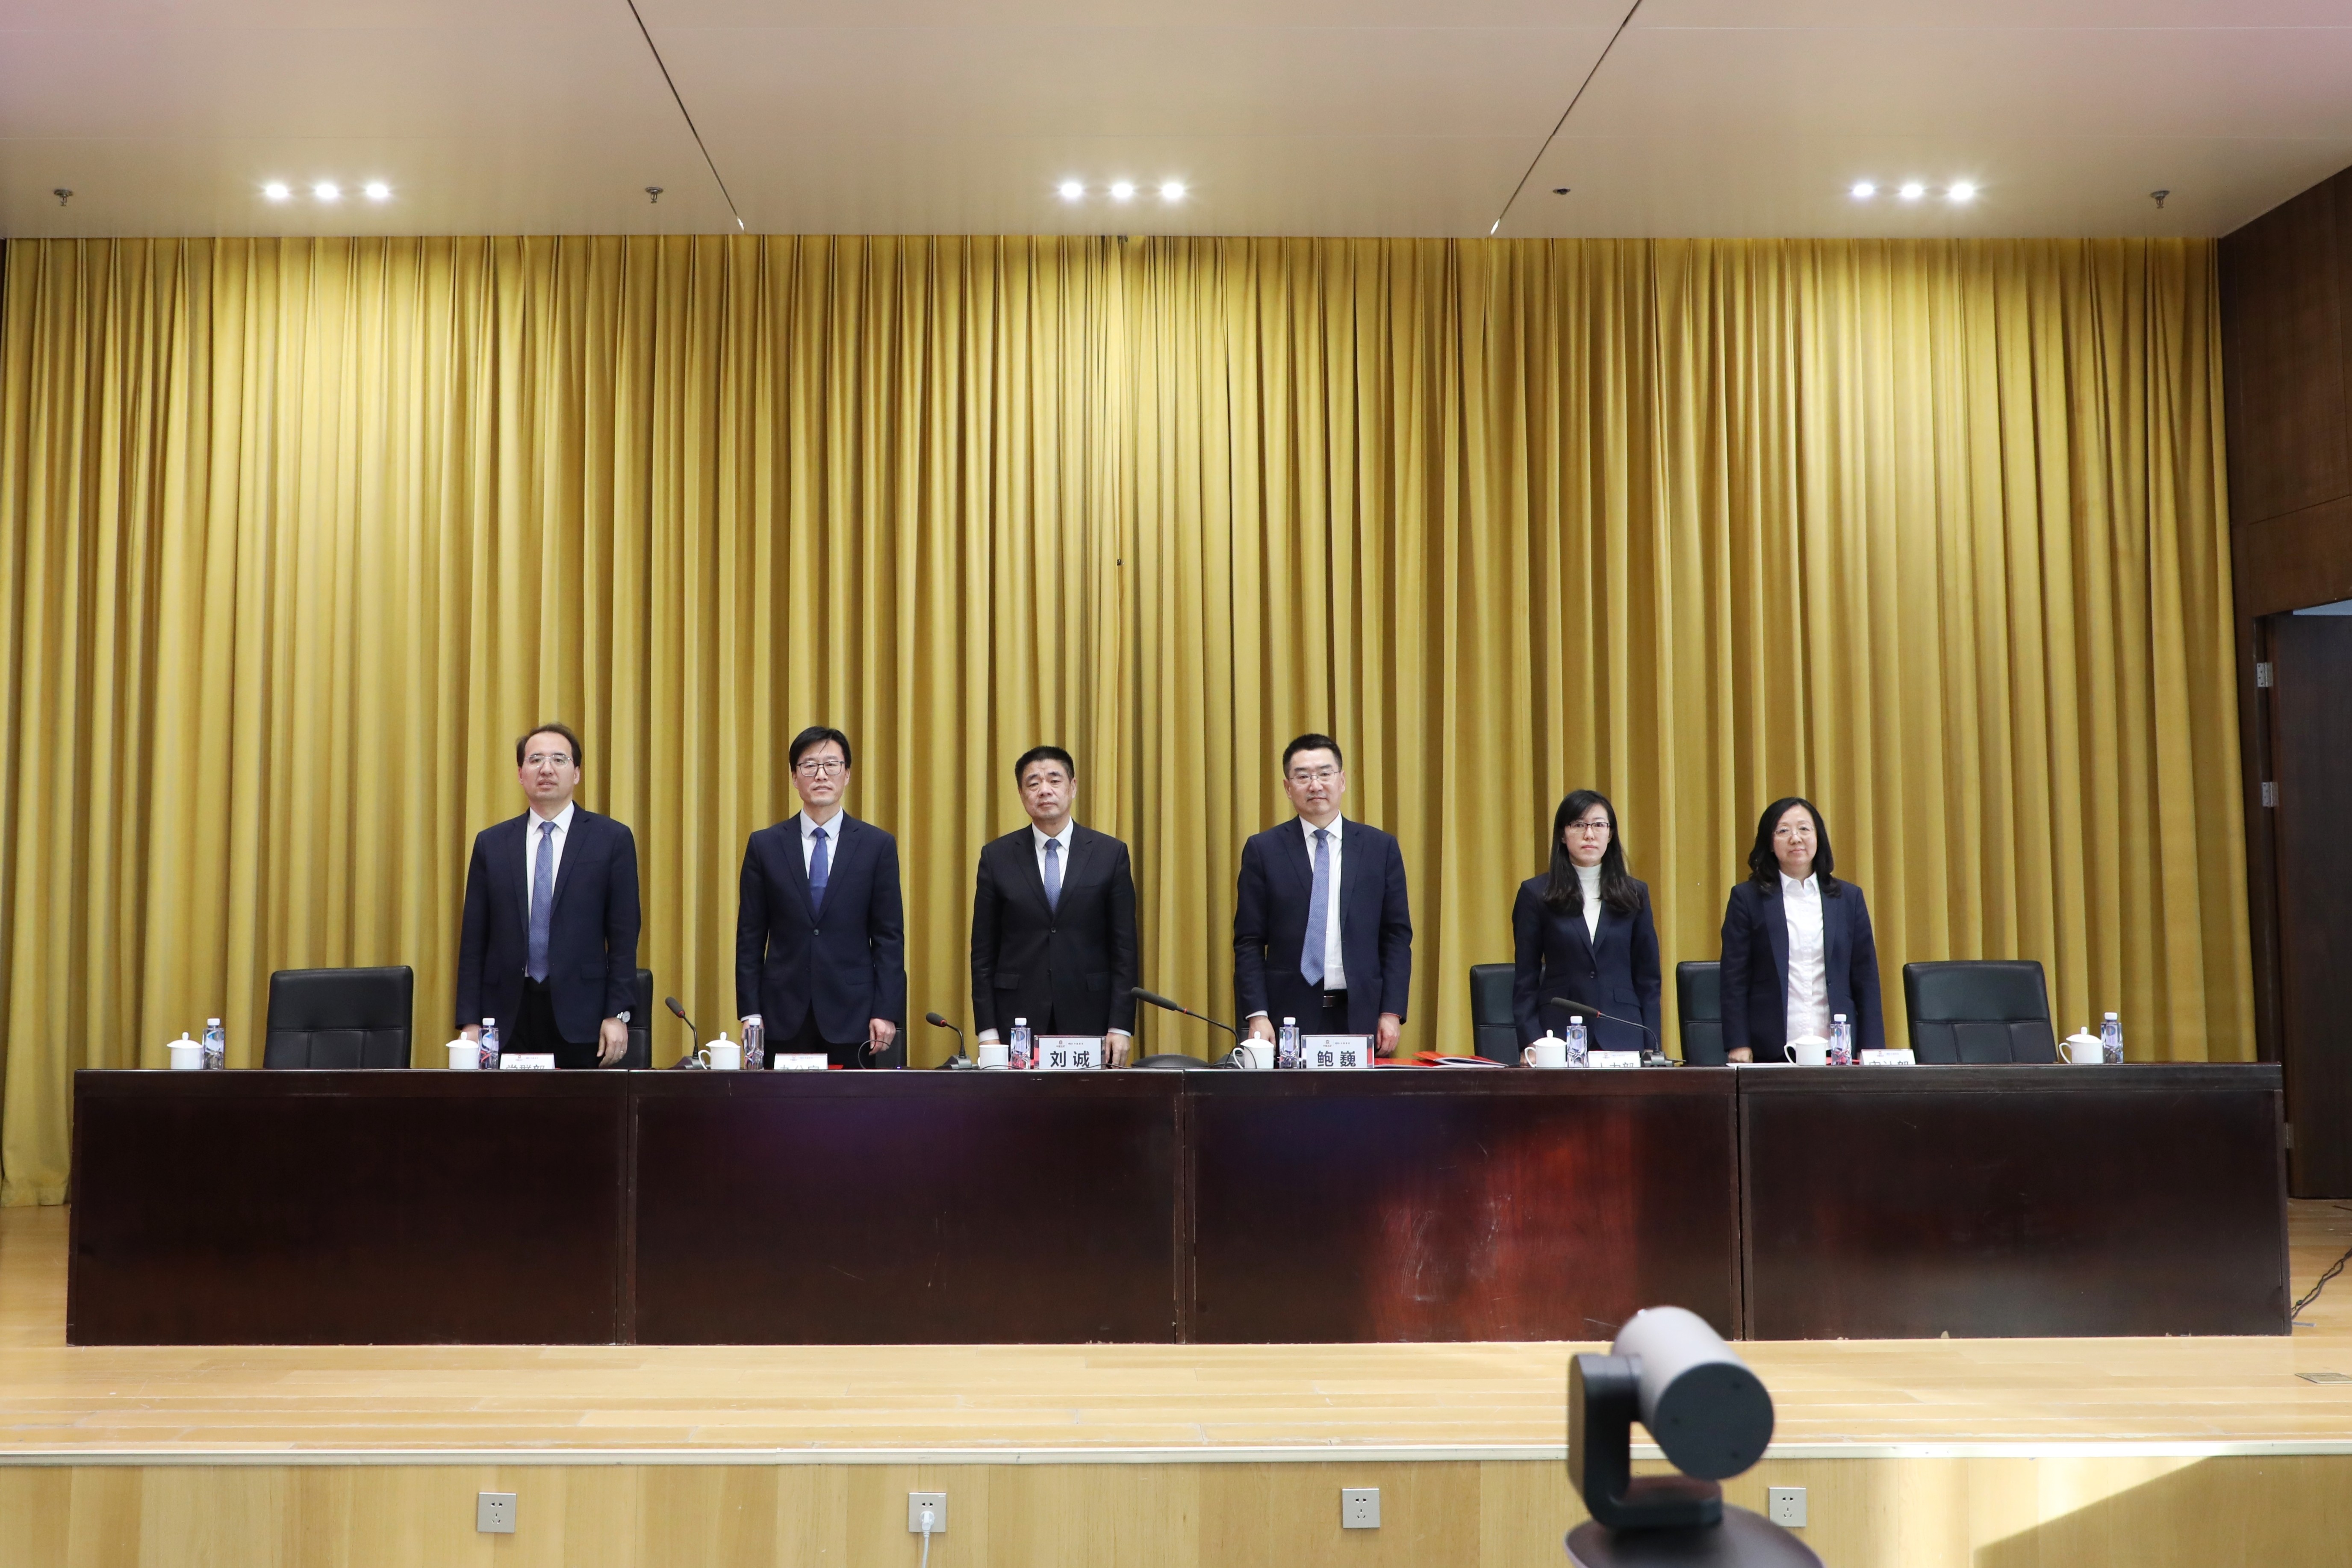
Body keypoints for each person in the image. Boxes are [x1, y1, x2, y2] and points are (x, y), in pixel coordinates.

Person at [455, 722, 641, 1068]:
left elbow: (624, 937)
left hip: (583, 1015)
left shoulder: (611, 839)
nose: (547, 769)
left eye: (559, 759)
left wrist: (617, 1014)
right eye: (536, 759)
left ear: (577, 773)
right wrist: (469, 1020)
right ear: (520, 774)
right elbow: (473, 941)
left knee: (579, 1105)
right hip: (505, 1016)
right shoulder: (492, 844)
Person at [736, 726, 907, 1068]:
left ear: (847, 774)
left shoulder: (877, 846)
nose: (821, 775)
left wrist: (886, 1010)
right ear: (794, 777)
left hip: (854, 1015)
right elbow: (750, 937)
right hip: (782, 1013)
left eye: (831, 765)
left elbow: (889, 937)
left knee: (851, 1104)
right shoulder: (765, 846)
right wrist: (751, 1012)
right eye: (809, 766)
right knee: (782, 1103)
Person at [1233, 734, 1412, 1056]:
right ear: (1288, 787)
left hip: (1362, 1015)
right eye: (1303, 776)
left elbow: (1396, 936)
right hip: (1286, 1017)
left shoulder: (1380, 848)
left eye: (1325, 774)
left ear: (1342, 781)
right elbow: (1249, 941)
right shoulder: (1264, 850)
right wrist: (1257, 1014)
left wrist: (1391, 1011)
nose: (1315, 785)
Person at [970, 746, 1140, 1065]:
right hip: (1017, 1019)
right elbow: (983, 954)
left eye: (1054, 780)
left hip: (1090, 1015)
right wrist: (987, 1032)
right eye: (1033, 783)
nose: (1044, 790)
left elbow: (1124, 949)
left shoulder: (1109, 854)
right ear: (1021, 794)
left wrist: (1120, 1026)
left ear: (1073, 787)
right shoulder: (997, 857)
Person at [1718, 796, 1883, 1063]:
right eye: (1783, 831)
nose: (1796, 838)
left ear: (1818, 838)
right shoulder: (1747, 899)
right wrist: (1738, 1042)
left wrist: (1872, 1048)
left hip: (1837, 1049)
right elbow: (1734, 978)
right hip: (1770, 1047)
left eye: (1804, 829)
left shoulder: (1848, 898)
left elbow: (1866, 978)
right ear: (1770, 844)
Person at [1510, 790, 1661, 1055]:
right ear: (1563, 834)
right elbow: (1526, 978)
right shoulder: (1536, 894)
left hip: (1624, 1031)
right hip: (1556, 1033)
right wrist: (1531, 1040)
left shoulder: (1635, 894)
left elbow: (1648, 979)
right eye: (1579, 825)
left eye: (1599, 825)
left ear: (1610, 834)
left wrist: (1652, 1046)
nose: (1589, 834)